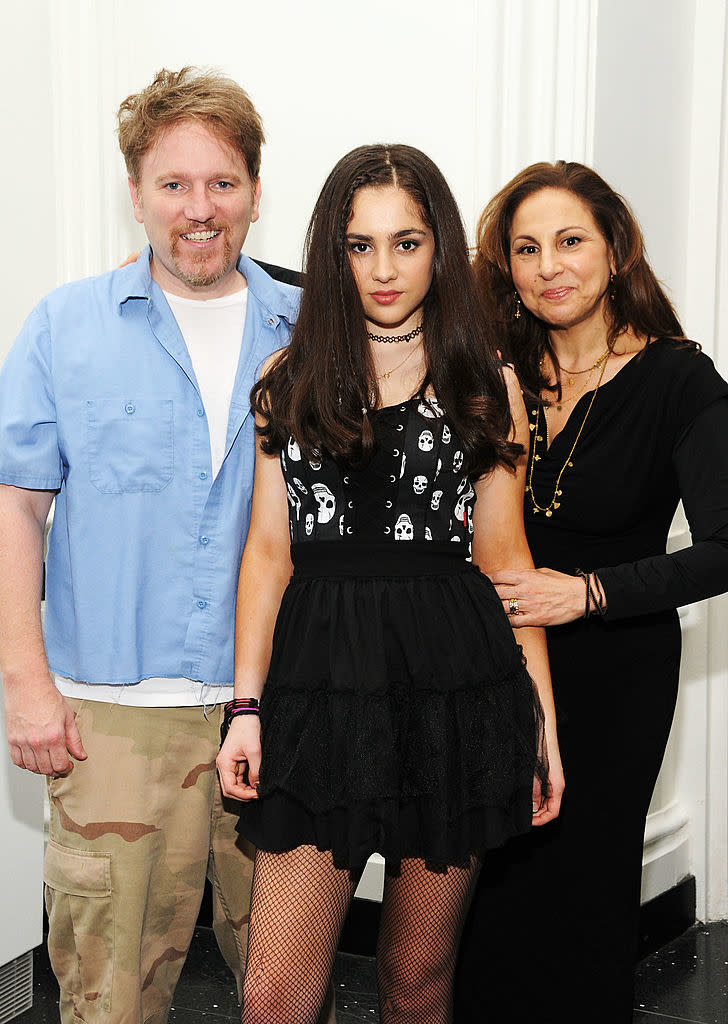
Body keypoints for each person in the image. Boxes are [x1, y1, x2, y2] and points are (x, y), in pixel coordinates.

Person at [216, 143, 564, 1024]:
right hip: (316, 692)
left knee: (416, 980)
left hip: (454, 691)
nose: (382, 268)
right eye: (358, 245)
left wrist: (543, 724)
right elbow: (267, 554)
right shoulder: (284, 384)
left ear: (440, 248)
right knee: (274, 994)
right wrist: (244, 709)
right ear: (332, 253)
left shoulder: (488, 386)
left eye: (406, 243)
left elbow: (506, 563)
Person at [0, 67, 311, 1024]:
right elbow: (19, 510)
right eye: (172, 184)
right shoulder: (65, 327)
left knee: (288, 992)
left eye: (222, 182)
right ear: (134, 193)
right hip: (112, 726)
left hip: (287, 714)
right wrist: (27, 687)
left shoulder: (311, 332)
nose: (199, 208)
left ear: (256, 191)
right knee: (110, 999)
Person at [454, 160, 728, 1024]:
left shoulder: (680, 379)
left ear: (615, 248)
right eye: (526, 249)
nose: (549, 267)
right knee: (483, 886)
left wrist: (588, 594)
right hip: (491, 662)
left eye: (570, 241)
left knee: (582, 891)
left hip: (615, 671)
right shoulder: (494, 371)